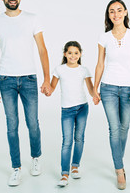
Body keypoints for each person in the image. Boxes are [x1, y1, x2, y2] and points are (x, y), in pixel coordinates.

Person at [0, 0, 51, 186]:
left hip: (29, 78)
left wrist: (47, 79)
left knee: (33, 123)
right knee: (11, 125)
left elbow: (42, 49)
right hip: (5, 79)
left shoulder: (32, 19)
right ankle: (16, 167)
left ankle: (36, 158)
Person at [93, 0, 130, 190]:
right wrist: (95, 89)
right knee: (114, 128)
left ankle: (117, 157)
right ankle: (119, 170)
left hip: (129, 88)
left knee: (125, 126)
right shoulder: (104, 37)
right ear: (108, 15)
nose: (116, 14)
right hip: (109, 88)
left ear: (126, 12)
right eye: (112, 11)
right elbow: (100, 64)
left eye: (119, 10)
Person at [45, 41, 95, 187]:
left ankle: (75, 167)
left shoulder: (84, 70)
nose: (73, 56)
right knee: (67, 141)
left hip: (82, 108)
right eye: (70, 53)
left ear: (80, 54)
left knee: (79, 138)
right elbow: (52, 88)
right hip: (67, 110)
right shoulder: (59, 70)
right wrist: (47, 91)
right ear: (65, 54)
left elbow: (91, 89)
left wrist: (95, 96)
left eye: (76, 53)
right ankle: (65, 174)